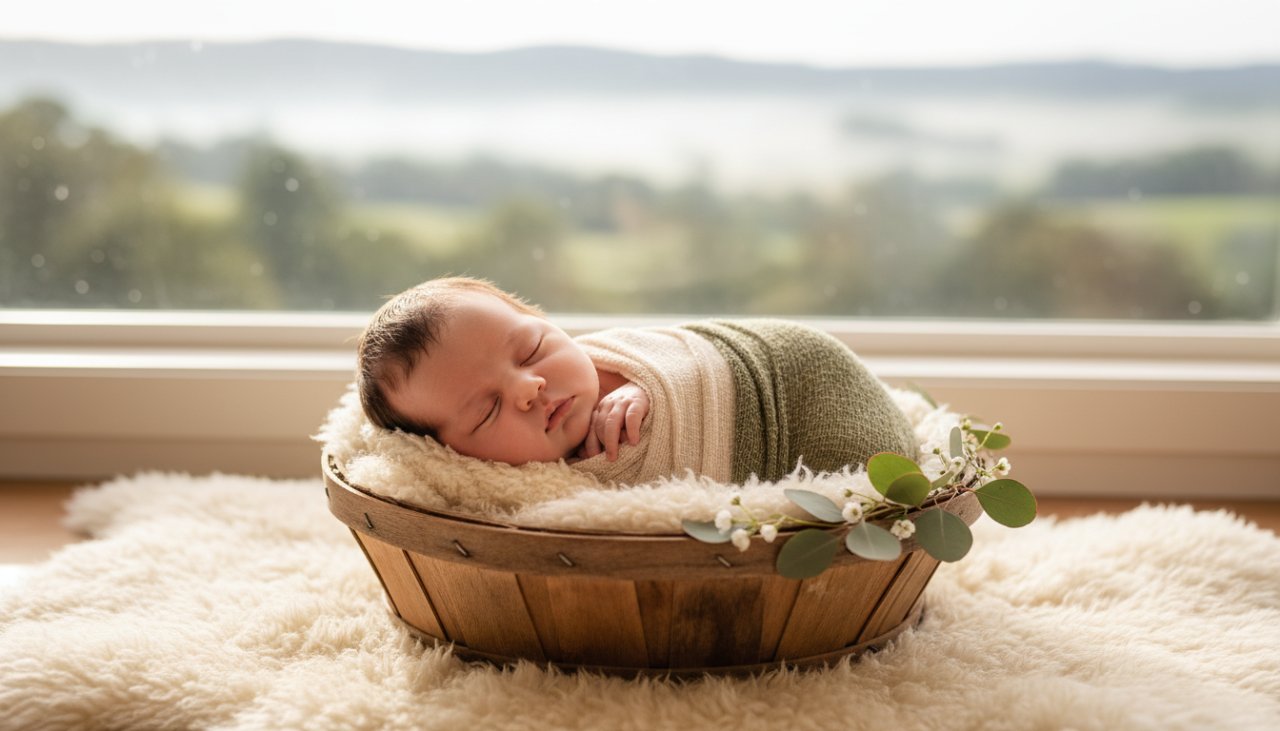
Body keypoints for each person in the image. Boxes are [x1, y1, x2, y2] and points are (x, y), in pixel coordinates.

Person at [356, 276, 918, 487]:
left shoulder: (611, 357)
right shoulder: (526, 494)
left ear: (549, 323)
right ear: (449, 453)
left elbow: (684, 353)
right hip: (775, 462)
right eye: (486, 411)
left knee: (864, 466)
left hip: (793, 378)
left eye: (531, 349)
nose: (528, 388)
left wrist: (647, 387)